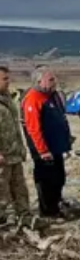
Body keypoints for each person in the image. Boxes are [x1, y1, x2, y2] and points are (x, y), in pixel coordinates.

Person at [21, 67, 73, 219]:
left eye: (54, 79)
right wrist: (43, 151)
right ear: (39, 81)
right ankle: (48, 212)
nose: (54, 82)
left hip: (56, 148)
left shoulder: (52, 96)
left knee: (58, 178)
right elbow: (33, 129)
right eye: (50, 79)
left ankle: (55, 206)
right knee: (47, 181)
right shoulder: (33, 98)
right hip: (44, 151)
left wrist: (66, 142)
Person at [0, 66, 31, 226]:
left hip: (14, 154)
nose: (8, 82)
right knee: (2, 193)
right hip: (2, 158)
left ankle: (25, 218)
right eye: (4, 79)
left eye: (8, 78)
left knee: (20, 190)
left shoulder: (8, 99)